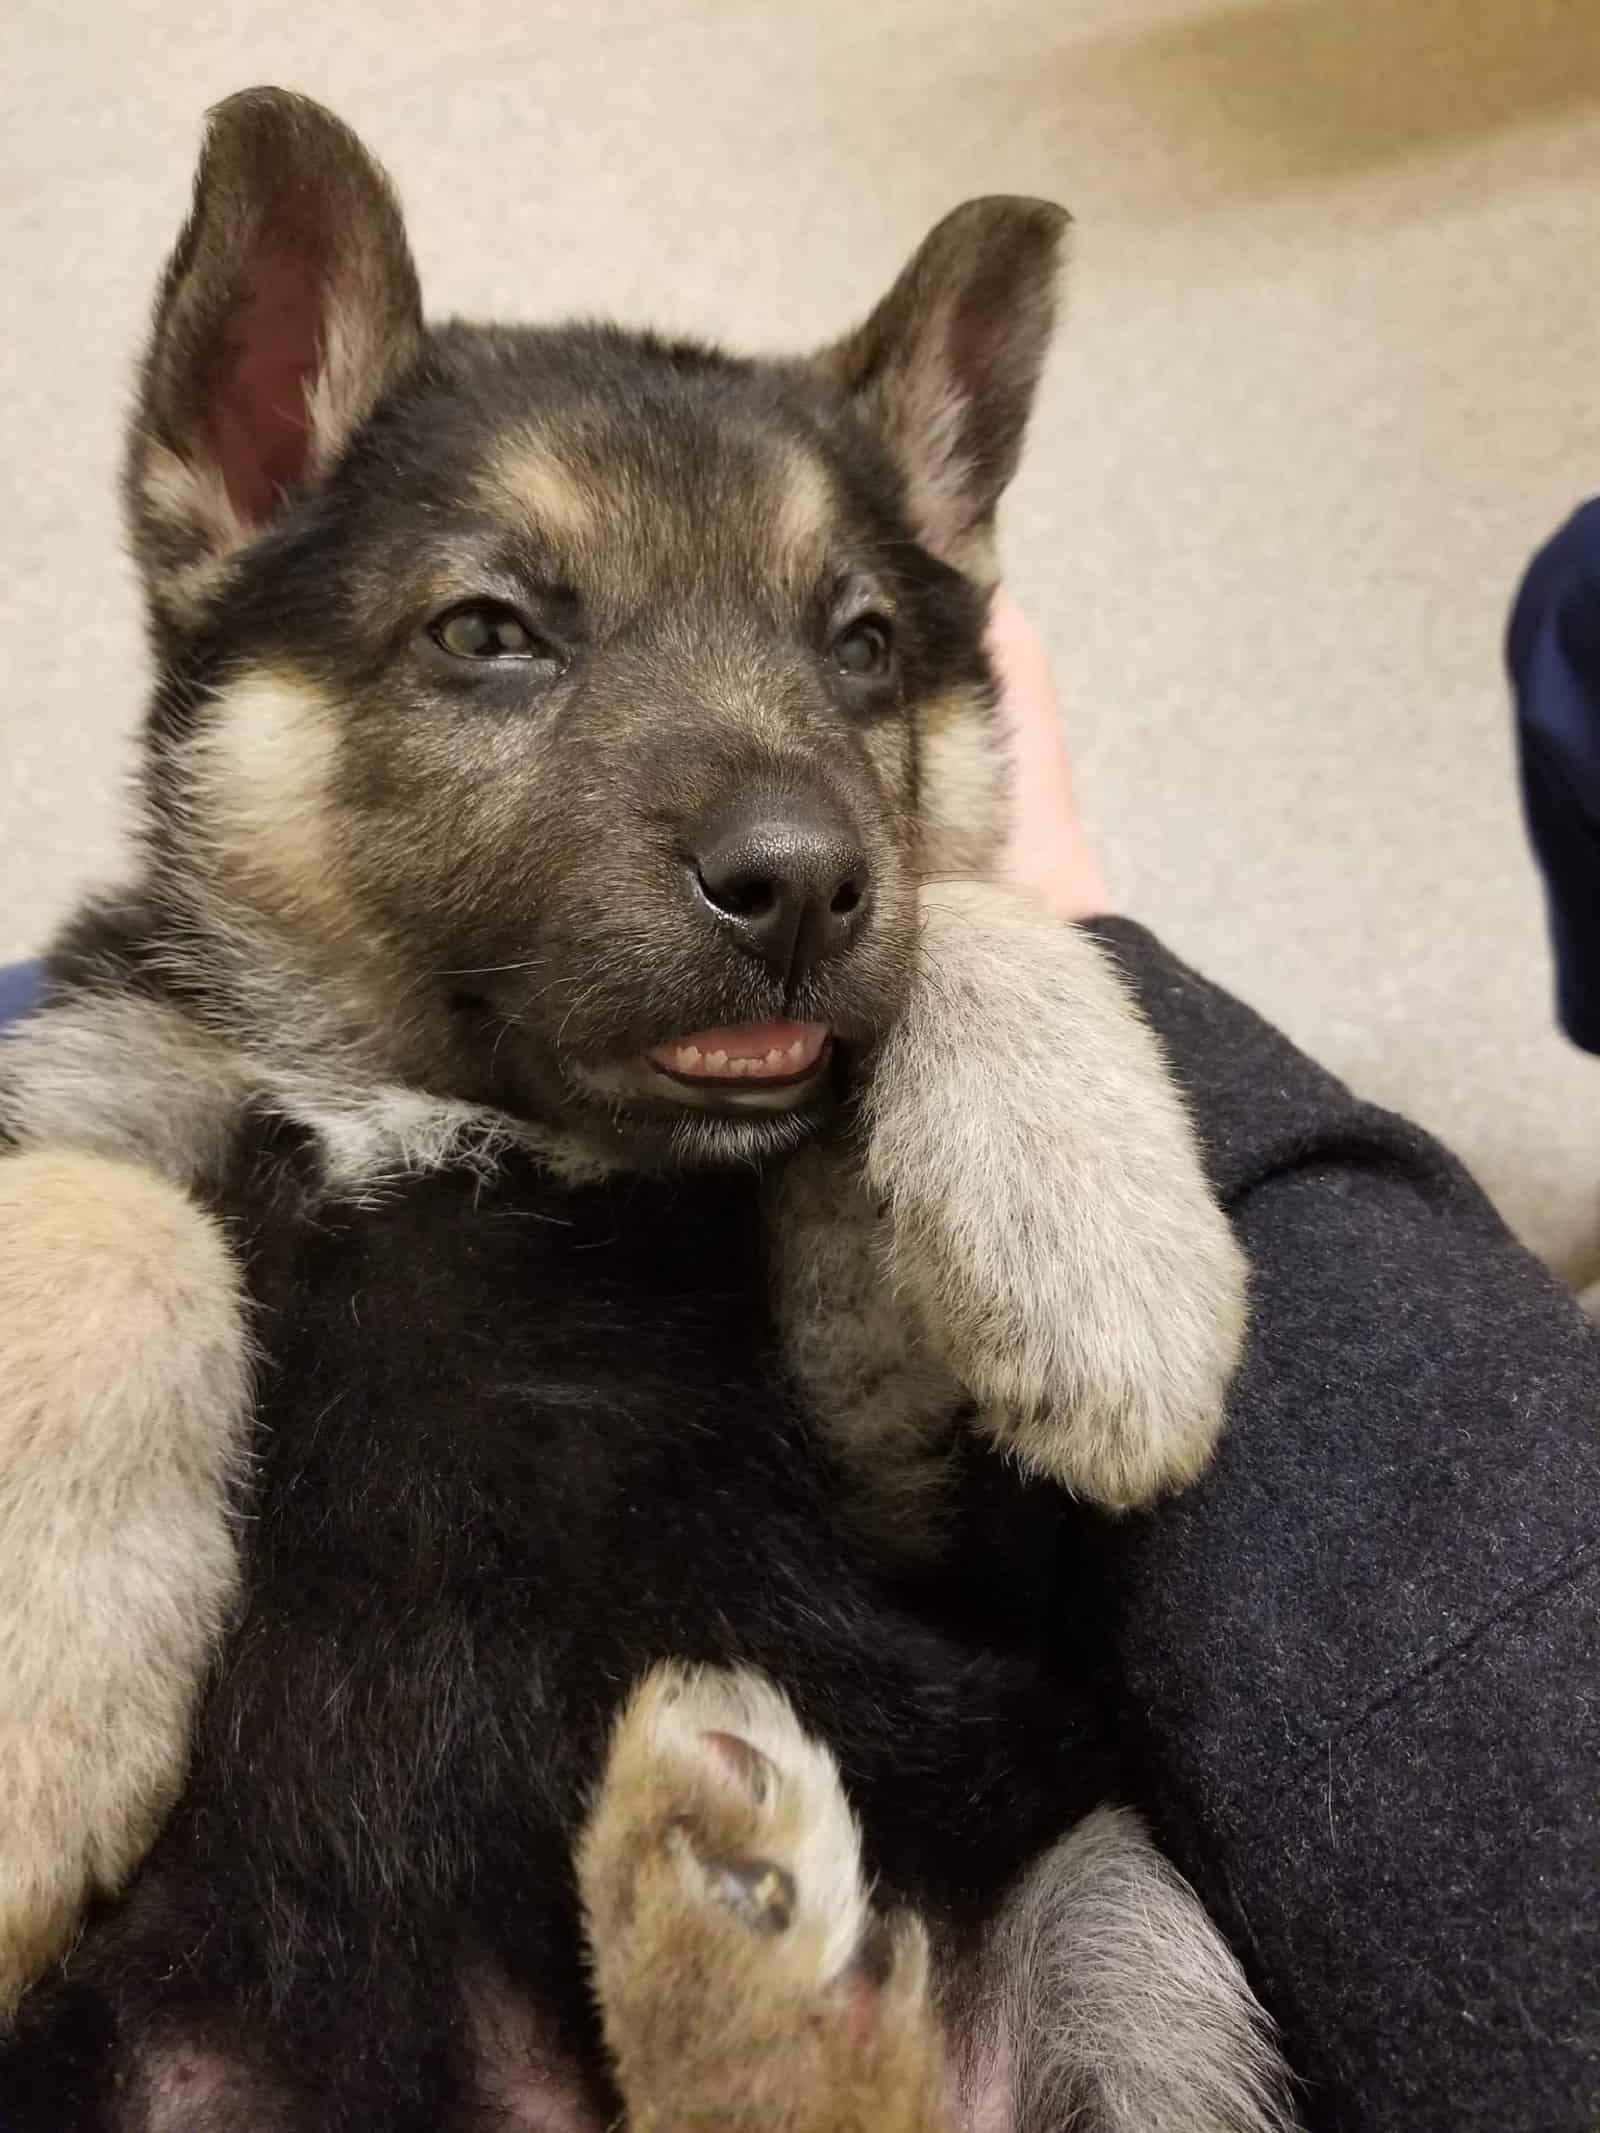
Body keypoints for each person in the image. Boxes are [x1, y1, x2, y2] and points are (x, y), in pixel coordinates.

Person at [1, 601, 1596, 2132]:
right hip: (231, 2015)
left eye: (855, 648)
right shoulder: (167, 1034)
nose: (780, 816)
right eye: (493, 634)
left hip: (920, 1940)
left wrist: (1009, 960)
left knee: (1118, 1917)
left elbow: (922, 1426)